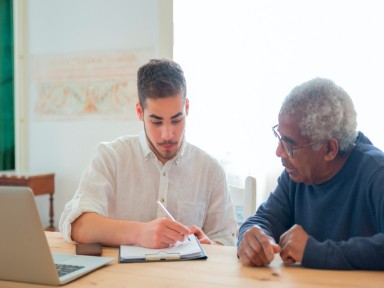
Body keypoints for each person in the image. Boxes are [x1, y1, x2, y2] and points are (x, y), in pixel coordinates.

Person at [59, 58, 237, 248]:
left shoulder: (210, 170)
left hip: (186, 277)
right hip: (122, 277)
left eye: (176, 120)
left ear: (186, 108)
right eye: (157, 122)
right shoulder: (112, 157)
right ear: (139, 112)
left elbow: (228, 240)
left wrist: (209, 245)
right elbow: (76, 224)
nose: (168, 134)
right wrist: (139, 233)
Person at [237, 77, 384, 270]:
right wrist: (251, 235)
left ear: (330, 149)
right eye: (279, 137)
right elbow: (263, 220)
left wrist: (315, 252)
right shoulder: (296, 175)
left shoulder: (375, 173)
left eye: (290, 145)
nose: (279, 152)